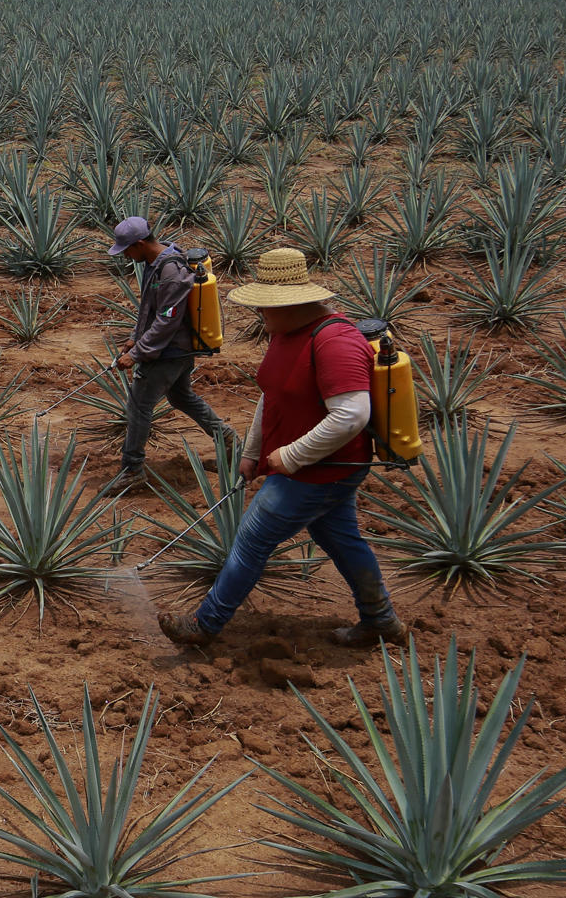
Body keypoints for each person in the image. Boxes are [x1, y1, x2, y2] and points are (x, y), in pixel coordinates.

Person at [158, 248, 406, 649]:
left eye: (264, 307)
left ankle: (205, 626)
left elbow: (351, 416)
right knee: (342, 540)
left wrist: (290, 455)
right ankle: (381, 620)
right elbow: (271, 395)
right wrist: (253, 451)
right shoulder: (288, 335)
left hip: (324, 470)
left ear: (296, 304)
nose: (260, 314)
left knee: (252, 540)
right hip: (312, 468)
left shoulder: (335, 342)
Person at [100, 215, 234, 498]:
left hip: (170, 351)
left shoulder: (171, 270)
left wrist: (137, 354)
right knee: (181, 396)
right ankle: (229, 441)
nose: (125, 255)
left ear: (139, 244)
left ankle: (132, 470)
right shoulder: (157, 261)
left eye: (126, 249)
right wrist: (135, 337)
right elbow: (148, 307)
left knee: (139, 405)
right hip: (175, 348)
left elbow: (166, 321)